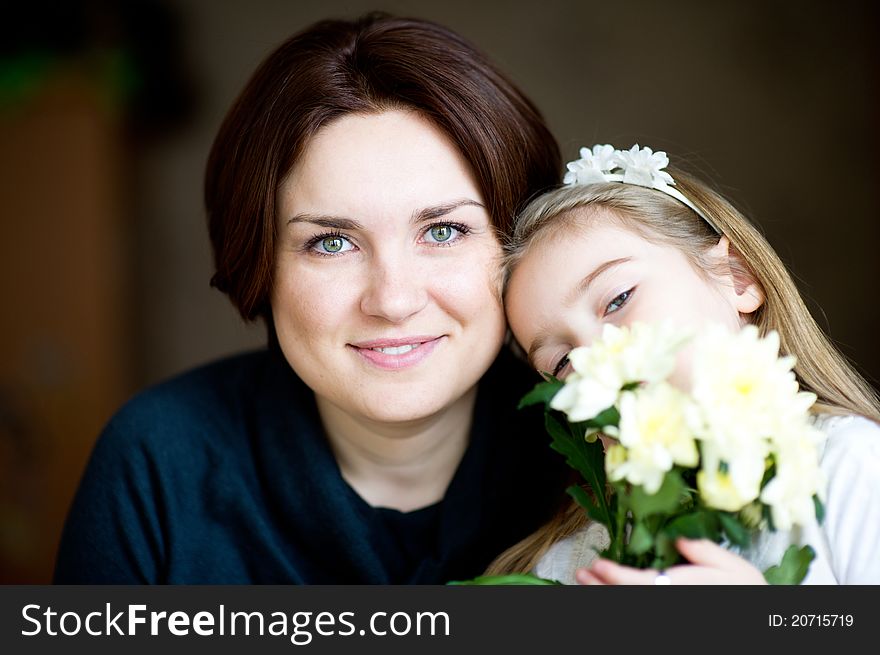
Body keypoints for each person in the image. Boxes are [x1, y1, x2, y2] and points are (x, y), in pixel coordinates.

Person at [53, 13, 569, 584]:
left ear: (520, 244)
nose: (392, 301)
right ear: (259, 260)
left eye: (442, 231)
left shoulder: (605, 453)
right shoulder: (157, 461)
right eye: (332, 242)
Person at [492, 143, 880, 584]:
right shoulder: (570, 567)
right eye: (562, 363)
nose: (598, 365)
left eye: (618, 300)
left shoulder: (854, 469)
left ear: (736, 276)